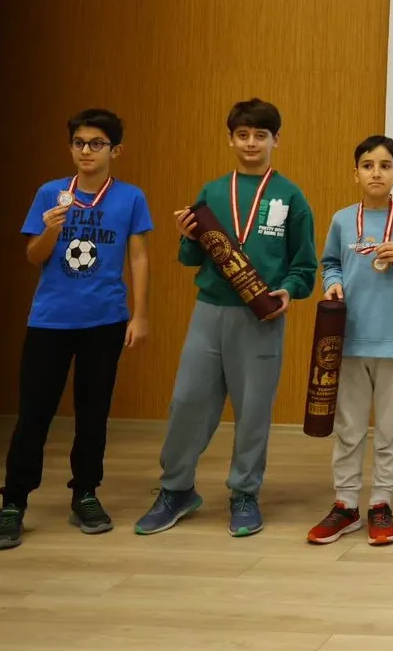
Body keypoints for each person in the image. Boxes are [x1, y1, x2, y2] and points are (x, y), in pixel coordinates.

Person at [134, 98, 317, 538]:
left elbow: (304, 266)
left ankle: (244, 493)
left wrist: (289, 290)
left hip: (260, 318)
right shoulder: (214, 192)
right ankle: (176, 488)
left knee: (253, 409)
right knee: (187, 400)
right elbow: (191, 257)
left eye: (260, 135)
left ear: (276, 140)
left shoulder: (290, 196)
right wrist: (185, 237)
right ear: (231, 139)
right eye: (243, 135)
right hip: (209, 311)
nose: (251, 143)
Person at [0, 109, 153, 550]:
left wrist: (140, 315)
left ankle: (85, 493)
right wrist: (50, 231)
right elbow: (34, 256)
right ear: (70, 147)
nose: (87, 151)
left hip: (105, 321)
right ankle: (14, 501)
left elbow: (139, 257)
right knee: (34, 413)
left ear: (115, 150)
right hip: (50, 320)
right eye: (79, 143)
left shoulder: (130, 198)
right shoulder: (50, 193)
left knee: (93, 413)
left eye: (97, 143)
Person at [307, 135, 393, 546]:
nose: (376, 172)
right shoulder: (341, 220)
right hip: (349, 338)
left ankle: (381, 502)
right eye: (368, 165)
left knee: (389, 427)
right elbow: (330, 263)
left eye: (386, 166)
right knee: (348, 426)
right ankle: (346, 504)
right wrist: (332, 283)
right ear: (355, 173)